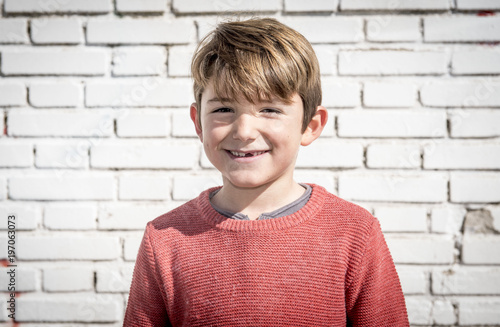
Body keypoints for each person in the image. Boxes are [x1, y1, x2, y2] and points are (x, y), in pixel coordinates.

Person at [123, 17, 409, 326]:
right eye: (223, 109)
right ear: (198, 123)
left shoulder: (355, 233)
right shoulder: (165, 240)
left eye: (270, 110)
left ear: (310, 126)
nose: (244, 131)